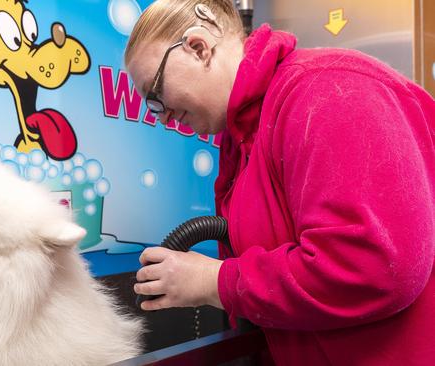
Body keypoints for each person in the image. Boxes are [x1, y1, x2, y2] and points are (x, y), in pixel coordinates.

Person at [125, 1, 435, 365]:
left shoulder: (327, 91)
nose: (162, 116)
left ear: (198, 48)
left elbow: (374, 267)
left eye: (155, 94)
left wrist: (215, 282)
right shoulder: (243, 137)